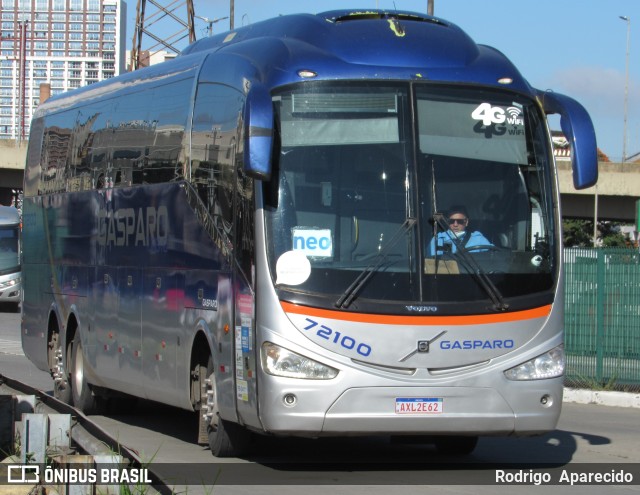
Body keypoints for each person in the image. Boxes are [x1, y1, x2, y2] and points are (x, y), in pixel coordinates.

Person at [428, 205, 492, 256]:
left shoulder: (478, 239)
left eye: (460, 221)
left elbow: (493, 256)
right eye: (451, 221)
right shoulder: (438, 239)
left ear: (466, 222)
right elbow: (429, 263)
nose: (455, 224)